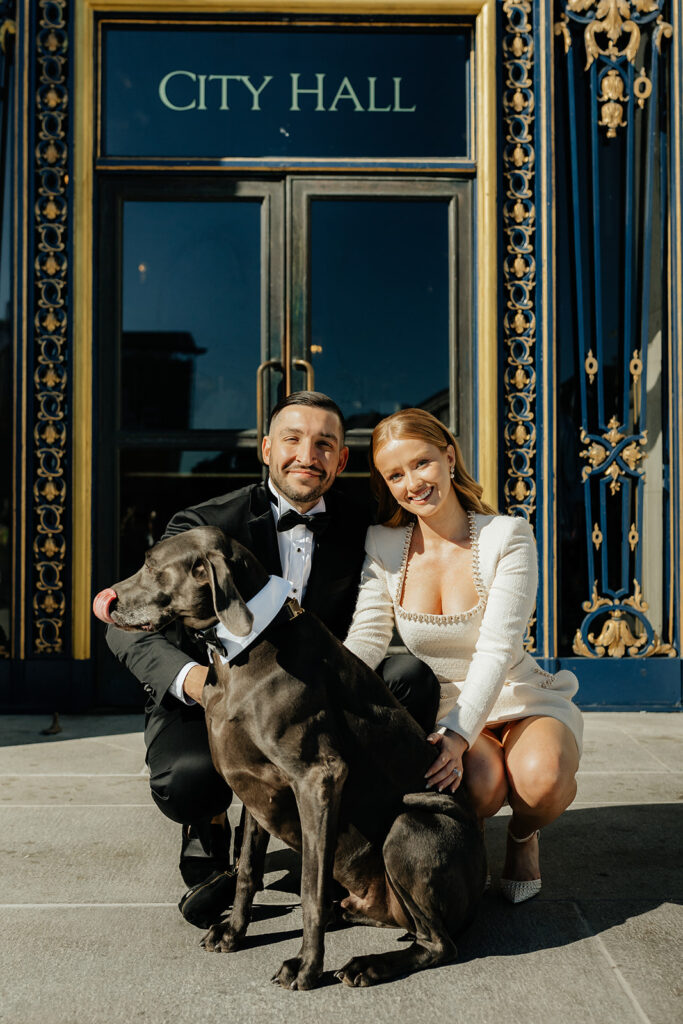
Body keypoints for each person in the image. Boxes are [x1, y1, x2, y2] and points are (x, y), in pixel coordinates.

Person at [105, 391, 439, 926]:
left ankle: (373, 836)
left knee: (409, 680)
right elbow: (127, 631)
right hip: (213, 698)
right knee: (187, 777)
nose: (307, 454)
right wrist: (197, 684)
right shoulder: (204, 525)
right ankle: (212, 827)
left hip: (308, 693)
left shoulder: (365, 525)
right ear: (266, 449)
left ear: (340, 460)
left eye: (324, 444)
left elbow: (443, 519)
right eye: (292, 439)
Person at [343, 408, 583, 904]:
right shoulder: (383, 545)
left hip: (517, 692)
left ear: (449, 458)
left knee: (541, 780)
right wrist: (316, 692)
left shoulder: (507, 536)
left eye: (422, 463)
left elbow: (496, 648)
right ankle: (471, 842)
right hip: (444, 702)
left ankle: (522, 836)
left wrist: (456, 736)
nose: (413, 482)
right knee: (481, 785)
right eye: (395, 474)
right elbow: (366, 640)